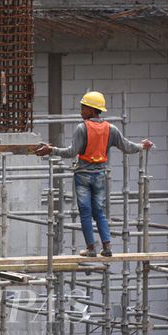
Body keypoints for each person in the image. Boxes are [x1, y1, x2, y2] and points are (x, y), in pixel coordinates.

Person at [35, 91, 153, 257]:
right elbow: (127, 147)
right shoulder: (110, 129)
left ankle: (91, 248)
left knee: (85, 212)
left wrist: (51, 150)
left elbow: (71, 152)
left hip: (83, 175)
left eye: (83, 108)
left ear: (91, 110)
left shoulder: (82, 128)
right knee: (99, 212)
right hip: (100, 175)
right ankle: (107, 247)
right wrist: (141, 146)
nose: (81, 111)